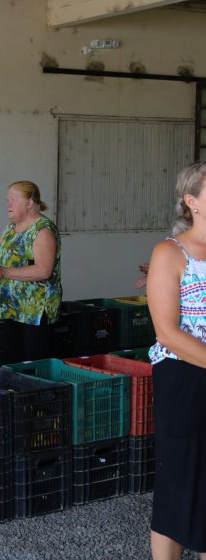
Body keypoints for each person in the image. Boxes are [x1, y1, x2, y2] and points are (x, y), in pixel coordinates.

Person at [145, 161, 206, 560]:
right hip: (183, 376)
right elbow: (167, 331)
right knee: (179, 481)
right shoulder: (171, 252)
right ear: (192, 201)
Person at [0, 181, 61, 363]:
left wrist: (4, 272)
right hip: (10, 307)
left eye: (13, 199)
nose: (8, 204)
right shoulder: (9, 229)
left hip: (34, 312)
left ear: (30, 203)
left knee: (34, 363)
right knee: (12, 362)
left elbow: (44, 270)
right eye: (7, 200)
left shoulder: (42, 230)